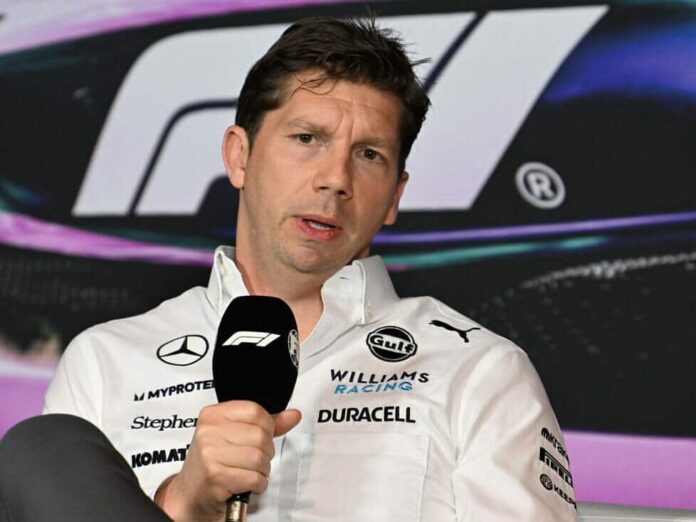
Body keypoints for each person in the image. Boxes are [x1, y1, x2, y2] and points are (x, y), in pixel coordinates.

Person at [0, 16, 576, 521]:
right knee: (40, 446)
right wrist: (183, 503)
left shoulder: (479, 371)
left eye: (369, 155)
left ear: (395, 195)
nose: (335, 179)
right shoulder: (105, 363)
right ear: (239, 155)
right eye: (307, 138)